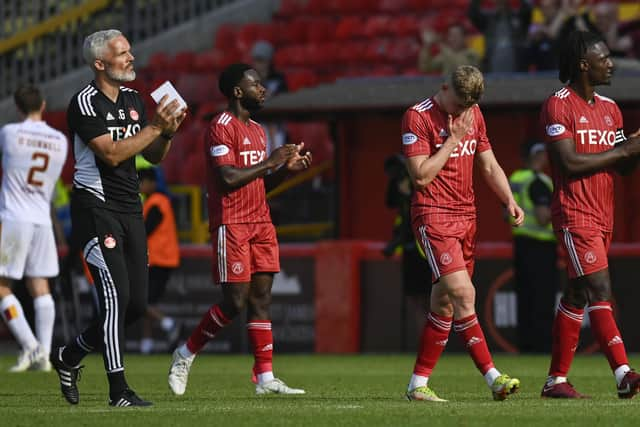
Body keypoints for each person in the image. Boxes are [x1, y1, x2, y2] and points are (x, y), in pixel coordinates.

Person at [49, 29, 186, 408]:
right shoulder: (84, 103)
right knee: (116, 298)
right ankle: (119, 391)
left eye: (129, 51)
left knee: (137, 305)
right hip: (96, 208)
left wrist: (167, 134)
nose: (131, 57)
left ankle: (69, 356)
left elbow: (152, 156)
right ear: (99, 63)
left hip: (130, 207)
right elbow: (110, 155)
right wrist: (155, 128)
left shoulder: (132, 99)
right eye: (122, 53)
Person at [167, 63, 311, 396]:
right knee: (234, 301)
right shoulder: (220, 127)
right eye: (255, 85)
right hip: (231, 223)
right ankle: (185, 354)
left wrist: (284, 170)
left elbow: (260, 182)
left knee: (261, 299)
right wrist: (272, 161)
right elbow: (228, 178)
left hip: (261, 221)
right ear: (237, 91)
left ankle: (264, 378)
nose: (262, 89)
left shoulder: (258, 130)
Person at [401, 65, 524, 402]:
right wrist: (453, 139)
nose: (462, 113)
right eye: (458, 105)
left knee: (444, 304)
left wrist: (509, 198)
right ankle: (494, 377)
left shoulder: (474, 113)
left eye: (468, 107)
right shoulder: (417, 117)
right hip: (433, 215)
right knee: (463, 293)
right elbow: (421, 176)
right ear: (444, 87)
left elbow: (488, 164)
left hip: (466, 218)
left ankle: (417, 385)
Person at [539, 30, 640, 399]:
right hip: (574, 212)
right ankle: (623, 373)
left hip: (603, 213)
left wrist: (634, 149)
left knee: (577, 294)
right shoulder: (558, 104)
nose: (611, 63)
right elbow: (568, 163)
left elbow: (623, 167)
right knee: (601, 288)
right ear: (584, 65)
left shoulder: (611, 109)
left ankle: (556, 381)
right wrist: (625, 152)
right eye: (605, 58)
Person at [0, 84, 68, 372]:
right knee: (41, 287)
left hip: (14, 217)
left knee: (2, 287)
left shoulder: (10, 133)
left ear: (17, 108)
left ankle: (30, 346)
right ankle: (45, 353)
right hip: (42, 219)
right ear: (43, 104)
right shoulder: (60, 140)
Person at [508, 142, 557, 353]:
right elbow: (544, 217)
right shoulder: (539, 181)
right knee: (543, 298)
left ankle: (525, 345)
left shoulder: (515, 178)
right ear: (536, 157)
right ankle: (542, 346)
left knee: (525, 296)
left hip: (521, 244)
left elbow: (506, 213)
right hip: (541, 247)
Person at [382, 153, 432, 349]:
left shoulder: (418, 183)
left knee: (428, 299)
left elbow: (417, 211)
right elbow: (390, 202)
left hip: (423, 248)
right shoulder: (400, 185)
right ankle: (425, 341)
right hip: (411, 249)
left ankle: (430, 341)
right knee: (416, 298)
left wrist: (408, 187)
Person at [138, 167, 181, 354]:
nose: (139, 186)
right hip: (159, 259)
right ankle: (147, 343)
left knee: (141, 301)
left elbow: (146, 229)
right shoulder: (154, 202)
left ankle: (169, 323)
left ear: (151, 183)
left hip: (159, 259)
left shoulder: (157, 202)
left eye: (141, 182)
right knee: (149, 302)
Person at [468, 0, 532, 72]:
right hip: (492, 72)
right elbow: (473, 13)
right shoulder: (487, 19)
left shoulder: (519, 17)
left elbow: (528, 9)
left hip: (517, 71)